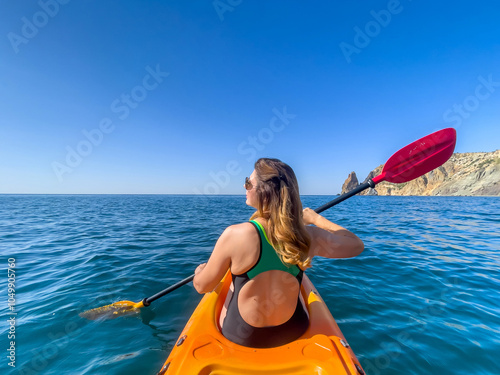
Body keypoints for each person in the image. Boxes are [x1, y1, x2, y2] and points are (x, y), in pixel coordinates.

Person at [193, 158, 364, 348]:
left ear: (265, 190)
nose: (244, 185)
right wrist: (316, 219)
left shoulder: (235, 234)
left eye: (249, 182)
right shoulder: (308, 236)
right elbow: (356, 245)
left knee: (232, 286)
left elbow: (202, 287)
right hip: (292, 329)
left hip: (242, 336)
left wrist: (200, 271)